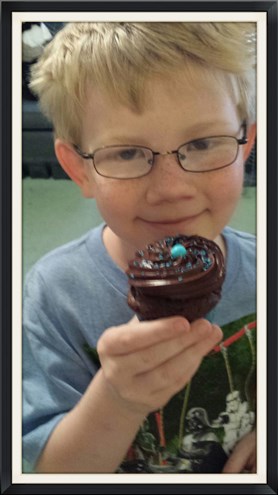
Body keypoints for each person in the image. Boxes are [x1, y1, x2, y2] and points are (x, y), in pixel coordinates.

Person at [23, 22, 257, 474]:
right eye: (128, 153)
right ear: (79, 170)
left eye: (204, 143)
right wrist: (116, 398)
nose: (171, 189)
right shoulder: (57, 295)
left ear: (245, 144)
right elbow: (55, 472)